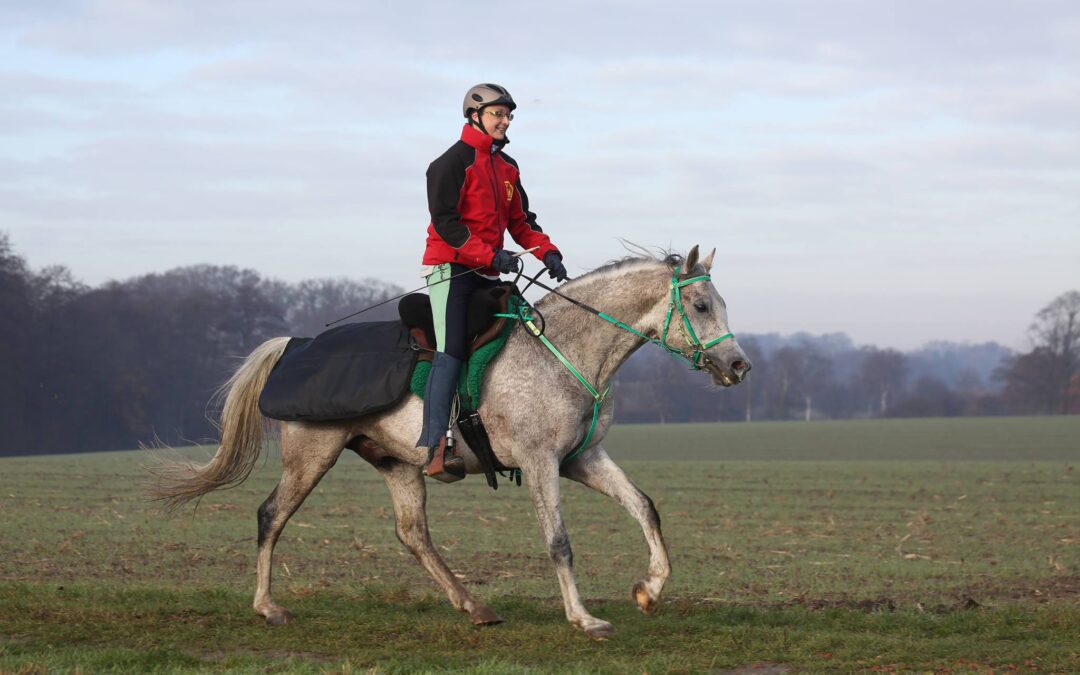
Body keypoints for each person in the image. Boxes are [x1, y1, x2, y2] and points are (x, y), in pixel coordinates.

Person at [419, 83, 568, 482]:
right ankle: (435, 445)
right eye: (497, 115)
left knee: (525, 331)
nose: (505, 121)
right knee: (450, 349)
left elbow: (522, 222)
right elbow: (447, 225)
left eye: (508, 116)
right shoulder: (449, 164)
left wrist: (546, 251)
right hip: (450, 271)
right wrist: (488, 255)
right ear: (474, 117)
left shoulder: (507, 168)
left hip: (488, 271)